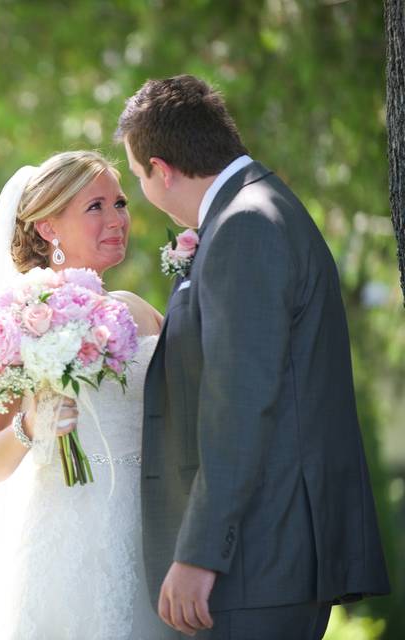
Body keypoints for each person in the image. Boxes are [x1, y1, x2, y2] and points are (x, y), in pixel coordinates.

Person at [117, 74, 391, 639]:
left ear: (162, 169)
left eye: (139, 175)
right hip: (269, 557)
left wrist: (199, 555)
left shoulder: (244, 226)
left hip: (255, 561)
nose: (144, 189)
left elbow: (239, 404)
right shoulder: (259, 208)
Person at [0, 150, 175, 638]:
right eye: (96, 207)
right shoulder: (11, 323)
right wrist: (29, 428)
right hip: (68, 546)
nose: (117, 220)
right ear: (48, 228)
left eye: (121, 202)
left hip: (157, 533)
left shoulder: (141, 312)